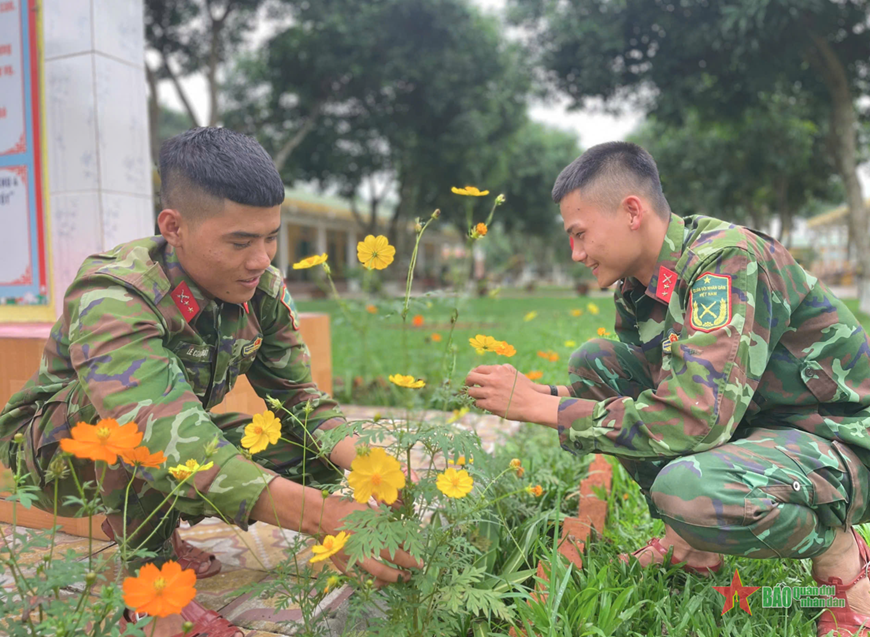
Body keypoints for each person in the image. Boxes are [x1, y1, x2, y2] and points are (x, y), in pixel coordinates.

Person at [0, 127, 418, 637]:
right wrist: (323, 517)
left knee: (303, 452)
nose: (261, 258)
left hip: (172, 432)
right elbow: (162, 432)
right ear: (174, 227)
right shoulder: (114, 297)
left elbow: (299, 402)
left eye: (270, 237)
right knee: (132, 428)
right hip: (53, 457)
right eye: (240, 241)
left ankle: (153, 527)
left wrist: (369, 466)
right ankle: (154, 597)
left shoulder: (259, 287)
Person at [466, 141, 870, 636]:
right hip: (757, 427)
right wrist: (545, 396)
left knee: (688, 490)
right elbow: (664, 392)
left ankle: (840, 553)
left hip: (836, 443)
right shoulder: (640, 288)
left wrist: (544, 410)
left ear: (631, 211)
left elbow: (693, 417)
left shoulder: (725, 263)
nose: (576, 253)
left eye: (580, 234)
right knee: (595, 365)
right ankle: (694, 543)